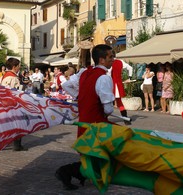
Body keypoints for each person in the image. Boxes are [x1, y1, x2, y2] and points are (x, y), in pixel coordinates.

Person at [55, 44, 116, 190]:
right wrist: (102, 110)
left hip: (85, 121)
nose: (113, 59)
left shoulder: (84, 72)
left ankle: (74, 173)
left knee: (90, 153)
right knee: (107, 149)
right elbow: (108, 108)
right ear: (102, 60)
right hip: (97, 122)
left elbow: (66, 86)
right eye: (111, 56)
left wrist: (81, 97)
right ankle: (68, 172)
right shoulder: (104, 78)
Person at [0, 57, 27, 151]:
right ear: (14, 67)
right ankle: (17, 145)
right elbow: (16, 92)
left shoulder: (4, 76)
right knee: (18, 124)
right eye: (18, 66)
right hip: (13, 104)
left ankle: (5, 143)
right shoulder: (13, 77)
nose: (19, 68)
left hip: (5, 103)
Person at [110, 51, 133, 125]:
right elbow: (130, 68)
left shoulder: (109, 62)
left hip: (111, 85)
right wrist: (129, 77)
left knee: (106, 102)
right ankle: (125, 118)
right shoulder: (120, 62)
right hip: (118, 84)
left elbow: (107, 73)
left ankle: (102, 118)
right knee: (119, 103)